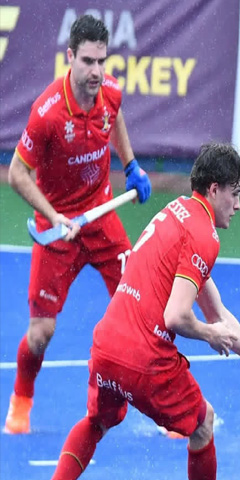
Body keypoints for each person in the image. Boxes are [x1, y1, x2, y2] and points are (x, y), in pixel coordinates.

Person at [50, 142, 240, 480]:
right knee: (203, 424)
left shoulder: (176, 211)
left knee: (97, 422)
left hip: (106, 347)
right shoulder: (205, 236)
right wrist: (209, 334)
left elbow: (218, 313)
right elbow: (177, 317)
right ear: (214, 189)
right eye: (234, 194)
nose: (237, 205)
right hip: (144, 360)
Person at [4, 14, 152, 435]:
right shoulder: (47, 113)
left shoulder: (109, 93)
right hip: (57, 230)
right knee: (40, 333)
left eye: (101, 61)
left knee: (142, 312)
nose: (96, 71)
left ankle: (160, 405)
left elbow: (115, 117)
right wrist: (54, 216)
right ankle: (21, 399)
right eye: (87, 61)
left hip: (102, 219)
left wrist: (131, 165)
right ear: (70, 57)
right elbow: (16, 173)